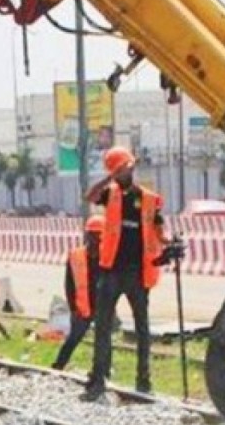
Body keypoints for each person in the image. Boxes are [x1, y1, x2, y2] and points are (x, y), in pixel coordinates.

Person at [83, 146, 167, 400]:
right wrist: (109, 177)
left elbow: (159, 230)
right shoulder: (111, 195)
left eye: (125, 168)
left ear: (131, 167)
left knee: (143, 329)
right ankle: (98, 380)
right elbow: (90, 196)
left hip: (139, 274)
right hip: (111, 272)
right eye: (118, 170)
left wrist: (169, 245)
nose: (123, 173)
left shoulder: (150, 199)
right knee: (103, 327)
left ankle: (144, 382)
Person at [51, 214, 104, 371]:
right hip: (82, 308)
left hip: (103, 306)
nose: (96, 239)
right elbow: (69, 284)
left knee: (103, 341)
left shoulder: (108, 257)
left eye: (99, 235)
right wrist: (73, 308)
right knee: (74, 338)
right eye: (93, 235)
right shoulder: (76, 255)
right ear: (87, 235)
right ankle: (59, 365)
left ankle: (102, 371)